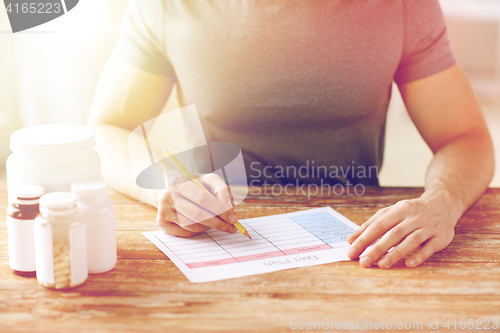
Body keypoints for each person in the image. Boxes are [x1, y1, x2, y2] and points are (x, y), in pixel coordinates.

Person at [88, 0, 495, 269]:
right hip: (220, 238)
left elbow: (463, 136)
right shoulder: (166, 5)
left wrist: (442, 202)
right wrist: (166, 185)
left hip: (359, 244)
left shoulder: (403, 5)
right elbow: (108, 128)